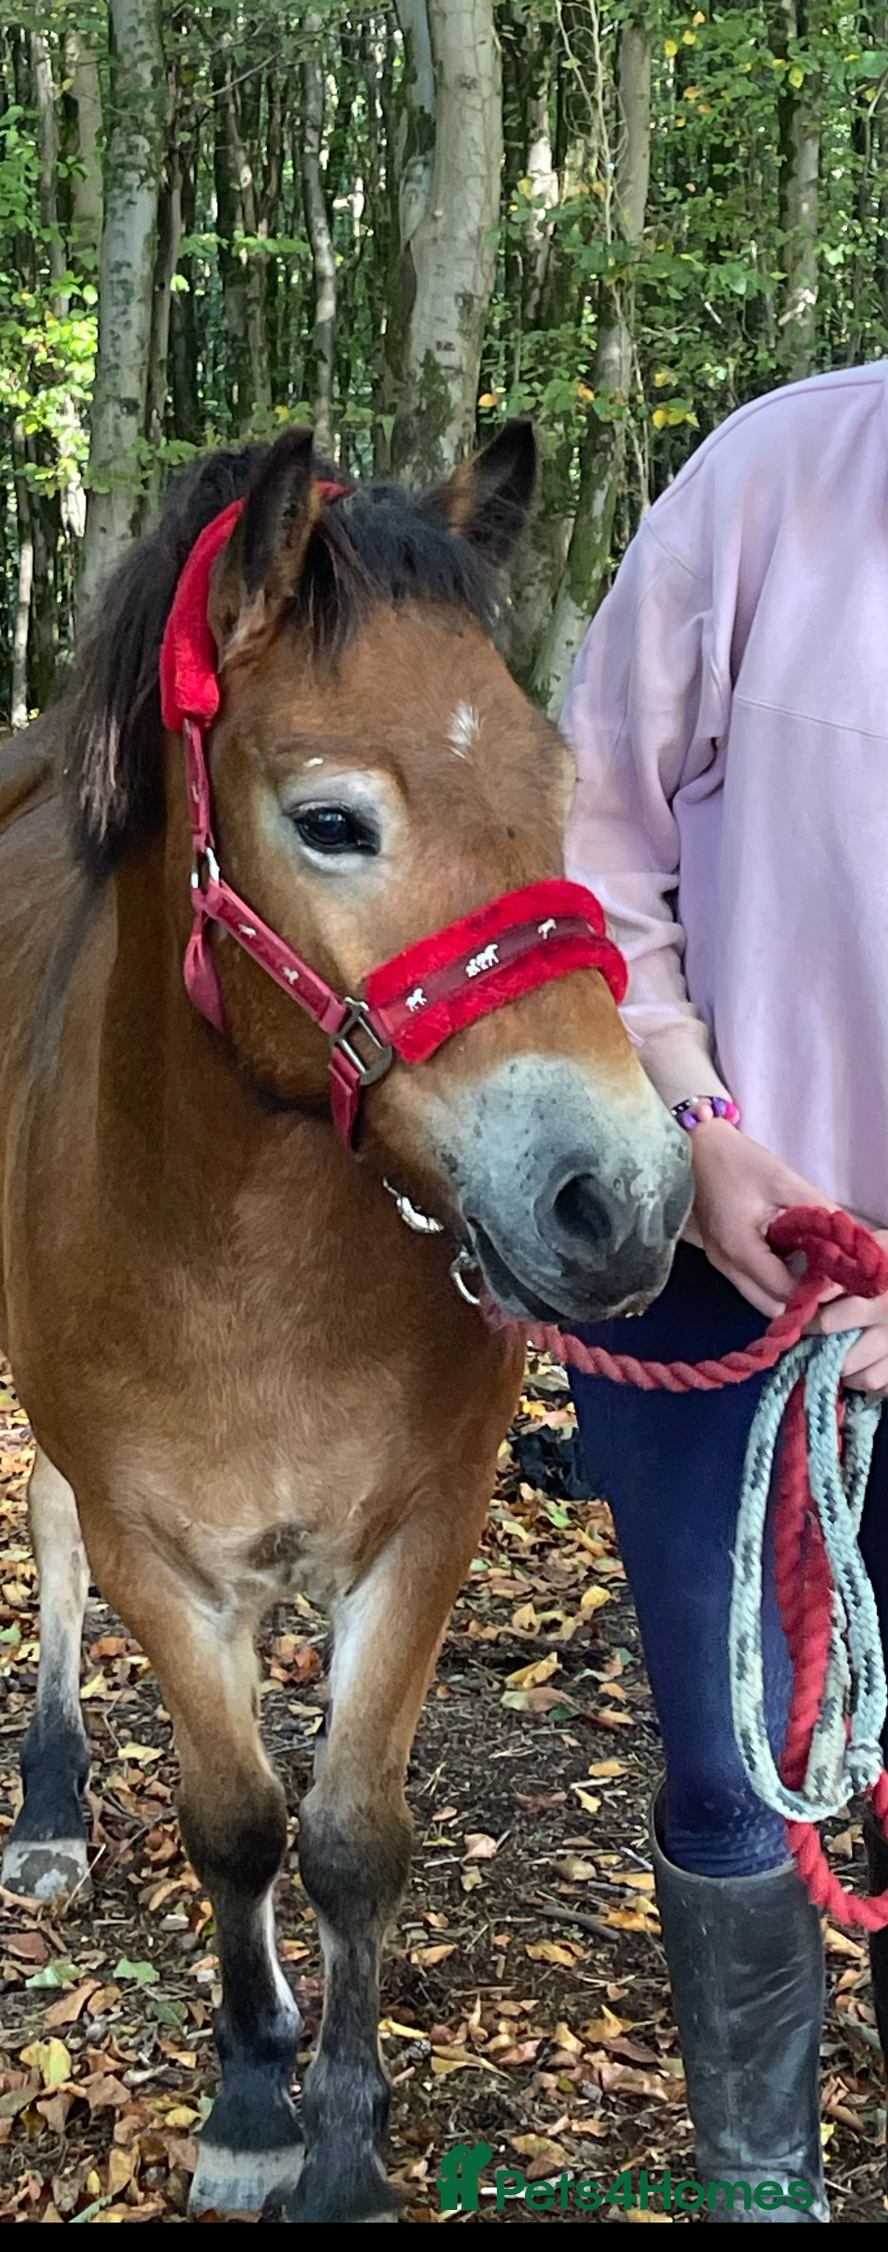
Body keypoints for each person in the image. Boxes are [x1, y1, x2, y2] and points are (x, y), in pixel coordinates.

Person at [559, 359, 888, 2225]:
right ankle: (763, 2190)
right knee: (734, 1763)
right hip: (716, 1284)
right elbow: (589, 843)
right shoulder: (766, 479)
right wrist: (695, 1121)